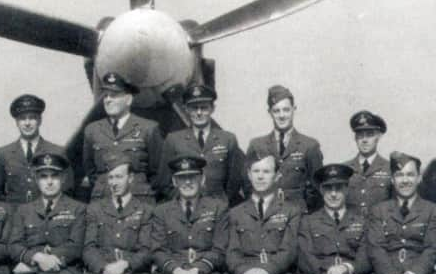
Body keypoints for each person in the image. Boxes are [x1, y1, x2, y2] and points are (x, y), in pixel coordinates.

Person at [3, 153, 86, 274]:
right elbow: (14, 245)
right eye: (43, 176)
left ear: (62, 178)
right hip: (30, 271)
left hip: (63, 271)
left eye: (54, 176)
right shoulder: (24, 210)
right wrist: (37, 258)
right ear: (36, 179)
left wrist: (51, 258)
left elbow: (76, 245)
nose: (49, 182)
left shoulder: (78, 209)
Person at [221, 150, 301, 274]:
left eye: (266, 171)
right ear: (249, 175)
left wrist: (266, 270)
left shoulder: (291, 211)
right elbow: (231, 252)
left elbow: (289, 251)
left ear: (277, 175)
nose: (260, 176)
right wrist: (244, 273)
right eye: (256, 171)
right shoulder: (235, 213)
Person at [147, 156, 228, 274]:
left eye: (193, 177)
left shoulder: (218, 208)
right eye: (182, 178)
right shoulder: (161, 211)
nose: (188, 182)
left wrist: (196, 270)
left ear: (202, 179)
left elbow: (220, 250)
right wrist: (177, 271)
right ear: (174, 181)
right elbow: (158, 250)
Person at [82, 152, 153, 274]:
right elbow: (89, 248)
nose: (114, 183)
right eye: (111, 178)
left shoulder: (145, 210)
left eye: (119, 177)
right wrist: (105, 269)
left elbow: (147, 250)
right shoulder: (95, 209)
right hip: (101, 273)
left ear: (131, 178)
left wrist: (124, 266)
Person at [365, 151, 436, 274]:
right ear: (392, 179)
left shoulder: (432, 210)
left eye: (410, 175)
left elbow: (432, 249)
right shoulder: (379, 210)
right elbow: (376, 248)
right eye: (399, 175)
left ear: (419, 178)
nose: (405, 180)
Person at [295, 164, 369, 274]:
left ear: (347, 189)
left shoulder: (361, 221)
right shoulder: (308, 221)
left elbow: (365, 256)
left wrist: (347, 271)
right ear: (321, 190)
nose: (333, 194)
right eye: (328, 188)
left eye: (339, 188)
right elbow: (306, 259)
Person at [82, 72, 163, 204]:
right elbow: (91, 171)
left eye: (114, 95)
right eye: (106, 95)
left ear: (128, 100)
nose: (108, 100)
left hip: (139, 204)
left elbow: (158, 174)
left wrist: (140, 190)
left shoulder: (149, 129)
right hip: (103, 205)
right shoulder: (92, 130)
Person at [157, 85, 245, 205]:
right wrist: (182, 202)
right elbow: (164, 182)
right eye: (194, 108)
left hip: (218, 209)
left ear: (212, 109)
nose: (199, 113)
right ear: (186, 109)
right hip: (185, 208)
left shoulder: (228, 139)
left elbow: (234, 180)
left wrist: (222, 203)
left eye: (204, 108)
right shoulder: (173, 140)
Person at [246, 85, 323, 213]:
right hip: (266, 217)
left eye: (286, 110)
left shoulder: (309, 146)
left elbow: (317, 190)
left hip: (299, 219)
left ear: (294, 109)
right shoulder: (257, 145)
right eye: (276, 111)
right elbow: (248, 185)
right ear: (269, 112)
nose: (282, 116)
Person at [0, 94, 72, 203]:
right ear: (17, 123)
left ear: (40, 120)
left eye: (32, 118)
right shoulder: (3, 153)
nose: (27, 123)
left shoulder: (57, 152)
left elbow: (68, 189)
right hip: (15, 217)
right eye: (22, 119)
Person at [342, 110, 391, 216]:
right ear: (355, 138)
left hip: (380, 230)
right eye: (360, 135)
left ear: (377, 138)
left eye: (369, 135)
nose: (364, 140)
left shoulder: (389, 168)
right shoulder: (344, 169)